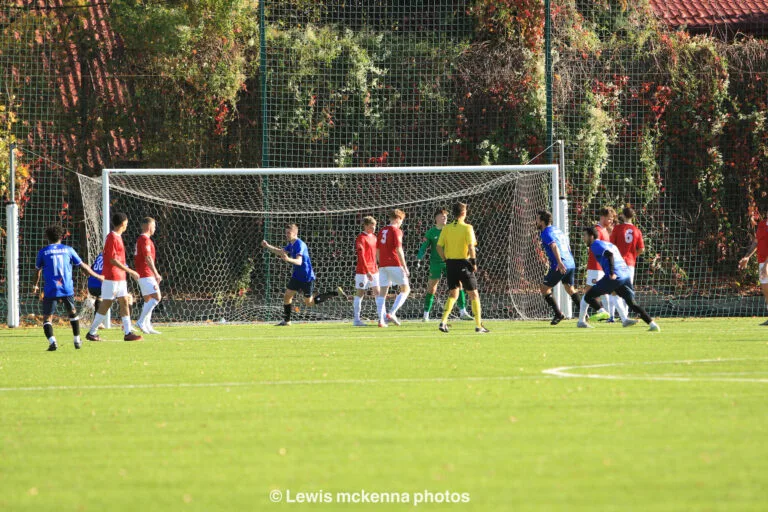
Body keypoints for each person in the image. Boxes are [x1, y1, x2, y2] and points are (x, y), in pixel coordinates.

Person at [33, 224, 104, 351]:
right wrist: (98, 276)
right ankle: (77, 340)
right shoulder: (68, 249)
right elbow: (83, 266)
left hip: (51, 289)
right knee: (72, 313)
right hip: (66, 288)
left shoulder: (43, 252)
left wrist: (35, 285)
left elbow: (37, 271)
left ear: (47, 237)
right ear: (62, 237)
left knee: (47, 318)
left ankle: (52, 342)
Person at [579, 227, 659, 331]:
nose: (583, 238)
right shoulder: (610, 244)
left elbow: (610, 255)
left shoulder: (595, 245)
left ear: (592, 236)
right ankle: (652, 324)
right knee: (632, 303)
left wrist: (612, 273)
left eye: (584, 236)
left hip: (614, 276)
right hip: (625, 275)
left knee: (588, 296)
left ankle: (596, 314)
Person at [262, 224, 338, 326]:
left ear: (295, 233)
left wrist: (288, 259)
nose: (286, 235)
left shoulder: (300, 244)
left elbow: (299, 262)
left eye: (289, 233)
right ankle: (287, 321)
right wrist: (267, 246)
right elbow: (281, 252)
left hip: (306, 277)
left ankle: (334, 293)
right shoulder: (291, 244)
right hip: (297, 276)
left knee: (309, 303)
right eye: (286, 233)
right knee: (287, 296)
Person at [86, 212, 143, 342]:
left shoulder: (118, 237)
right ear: (123, 224)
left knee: (124, 301)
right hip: (112, 277)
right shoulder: (111, 237)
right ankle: (92, 332)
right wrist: (130, 271)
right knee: (106, 303)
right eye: (127, 223)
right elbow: (112, 259)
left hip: (120, 277)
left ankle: (128, 332)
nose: (127, 225)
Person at [436, 202, 489, 334]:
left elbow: (438, 247)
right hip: (463, 264)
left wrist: (445, 260)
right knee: (474, 294)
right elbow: (471, 247)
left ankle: (443, 322)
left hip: (450, 264)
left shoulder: (446, 228)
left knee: (454, 293)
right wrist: (474, 262)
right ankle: (478, 326)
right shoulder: (467, 228)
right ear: (464, 213)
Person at [417, 208, 472, 322]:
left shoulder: (450, 229)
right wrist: (419, 256)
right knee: (432, 288)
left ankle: (463, 312)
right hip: (436, 263)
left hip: (450, 262)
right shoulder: (431, 232)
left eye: (446, 217)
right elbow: (424, 246)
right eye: (442, 216)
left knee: (458, 286)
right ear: (436, 218)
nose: (445, 218)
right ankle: (426, 315)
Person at [535, 211, 581, 325]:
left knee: (544, 288)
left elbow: (554, 246)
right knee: (570, 289)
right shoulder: (558, 230)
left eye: (537, 219)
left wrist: (559, 263)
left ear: (542, 221)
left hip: (560, 265)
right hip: (570, 263)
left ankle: (558, 314)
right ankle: (583, 312)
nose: (535, 222)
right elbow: (567, 245)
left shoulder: (545, 232)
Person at [609, 207, 645, 324]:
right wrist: (633, 255)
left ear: (623, 215)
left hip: (618, 263)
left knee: (614, 289)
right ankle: (626, 314)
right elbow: (641, 249)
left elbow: (611, 246)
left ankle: (623, 316)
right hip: (630, 264)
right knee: (627, 290)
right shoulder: (637, 230)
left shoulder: (618, 229)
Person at [579, 206, 615, 325]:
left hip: (601, 267)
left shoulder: (605, 230)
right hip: (595, 267)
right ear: (603, 217)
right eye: (609, 218)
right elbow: (593, 248)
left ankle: (609, 317)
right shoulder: (597, 231)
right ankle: (581, 320)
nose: (611, 221)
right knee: (589, 293)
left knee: (604, 293)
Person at [376, 209, 410, 327]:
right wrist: (405, 267)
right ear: (397, 219)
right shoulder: (396, 231)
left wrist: (381, 264)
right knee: (406, 289)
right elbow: (399, 250)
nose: (401, 223)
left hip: (383, 265)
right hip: (395, 264)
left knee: (382, 293)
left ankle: (381, 320)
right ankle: (391, 313)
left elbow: (378, 250)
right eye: (401, 220)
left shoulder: (381, 231)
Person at [738, 211, 768, 324]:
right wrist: (747, 257)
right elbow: (756, 242)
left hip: (766, 262)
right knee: (765, 288)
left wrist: (766, 264)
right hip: (761, 261)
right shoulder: (762, 225)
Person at [135, 217, 163, 334]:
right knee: (157, 297)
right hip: (146, 273)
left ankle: (147, 325)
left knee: (149, 299)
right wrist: (156, 273)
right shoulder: (144, 240)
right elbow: (147, 257)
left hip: (143, 273)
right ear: (148, 226)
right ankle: (140, 321)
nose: (155, 229)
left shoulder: (143, 240)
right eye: (154, 226)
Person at [352, 216, 380, 326]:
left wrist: (379, 266)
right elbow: (361, 255)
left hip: (374, 270)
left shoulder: (374, 237)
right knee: (360, 294)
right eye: (371, 226)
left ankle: (381, 317)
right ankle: (356, 320)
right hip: (363, 271)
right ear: (365, 225)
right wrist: (367, 270)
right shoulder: (361, 238)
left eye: (375, 226)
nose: (373, 228)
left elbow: (376, 253)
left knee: (378, 293)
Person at [87, 252, 104, 328]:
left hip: (91, 284)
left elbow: (92, 267)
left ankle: (92, 304)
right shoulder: (113, 254)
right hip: (100, 282)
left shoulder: (100, 255)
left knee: (100, 297)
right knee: (127, 297)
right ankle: (126, 324)